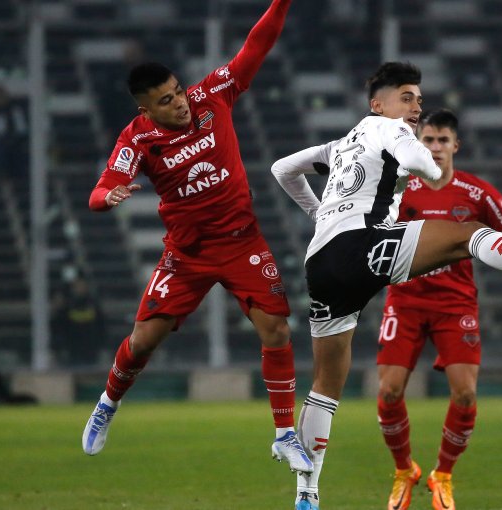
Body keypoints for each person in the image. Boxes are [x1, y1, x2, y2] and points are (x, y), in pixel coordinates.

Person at [271, 62, 502, 510]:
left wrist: (319, 215)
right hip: (364, 247)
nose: (416, 107)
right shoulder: (389, 128)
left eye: (418, 98)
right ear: (377, 104)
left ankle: (306, 494)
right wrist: (426, 167)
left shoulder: (340, 144)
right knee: (467, 235)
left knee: (325, 384)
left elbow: (282, 169)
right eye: (407, 97)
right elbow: (424, 166)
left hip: (321, 263)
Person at [80, 0, 313, 475]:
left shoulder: (213, 96)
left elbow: (256, 45)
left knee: (277, 330)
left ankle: (285, 434)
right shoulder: (137, 140)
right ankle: (107, 404)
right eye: (165, 100)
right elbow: (97, 194)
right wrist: (110, 196)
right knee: (143, 342)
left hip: (242, 242)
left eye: (177, 91)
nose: (180, 102)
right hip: (186, 255)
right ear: (144, 109)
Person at [373, 108, 502, 510]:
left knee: (465, 395)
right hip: (406, 300)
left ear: (455, 146)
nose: (435, 148)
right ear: (418, 144)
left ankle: (442, 475)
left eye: (442, 141)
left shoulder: (476, 192)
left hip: (455, 303)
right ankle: (403, 471)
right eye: (427, 140)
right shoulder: (400, 189)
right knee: (389, 391)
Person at [51, 276, 108, 366]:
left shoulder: (93, 304)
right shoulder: (67, 305)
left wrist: (103, 345)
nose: (80, 288)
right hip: (72, 349)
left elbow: (101, 326)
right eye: (77, 286)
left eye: (82, 286)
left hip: (91, 349)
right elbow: (59, 326)